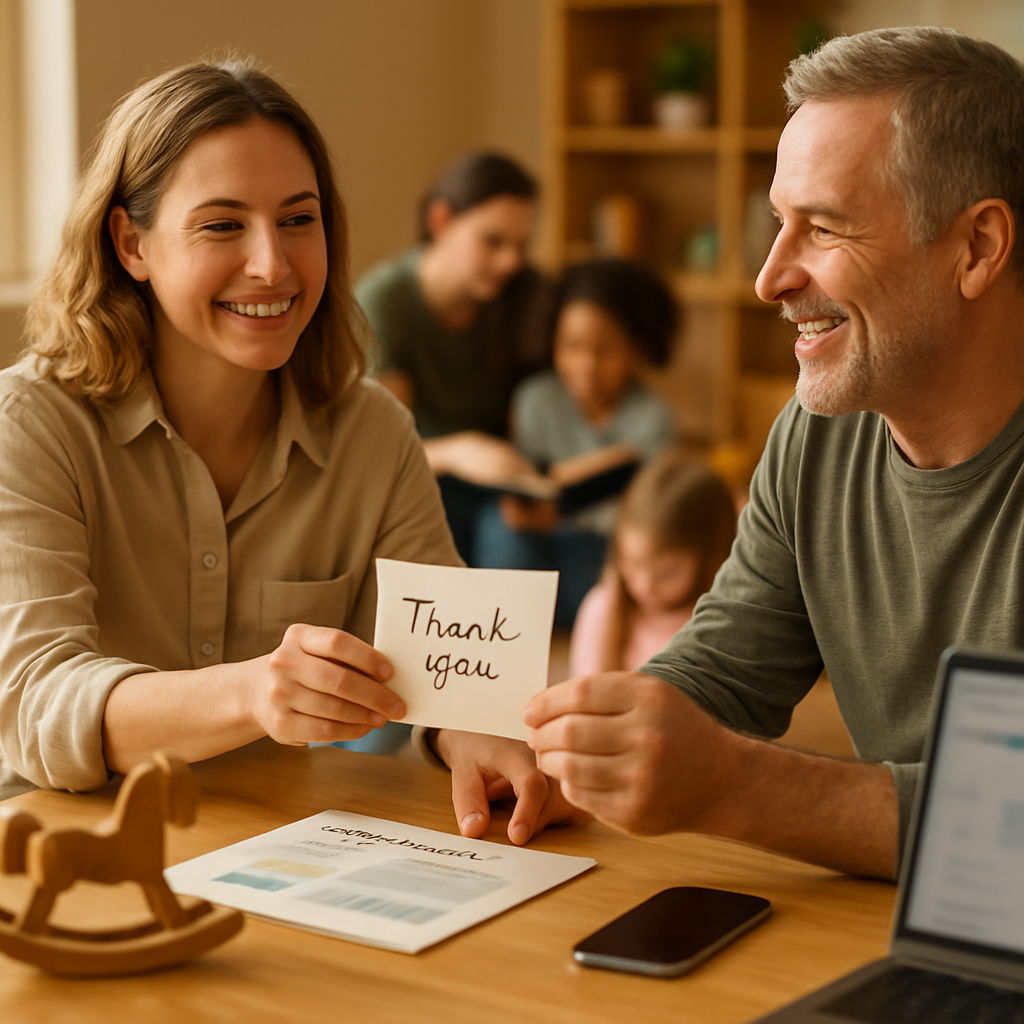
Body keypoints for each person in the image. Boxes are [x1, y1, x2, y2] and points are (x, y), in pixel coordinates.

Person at [437, 26, 1024, 879]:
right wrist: (589, 746)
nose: (770, 277)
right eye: (779, 223)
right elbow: (725, 666)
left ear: (977, 247)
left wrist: (734, 788)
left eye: (823, 228)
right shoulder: (816, 434)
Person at [0, 59, 568, 847]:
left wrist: (473, 733)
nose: (272, 263)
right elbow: (33, 698)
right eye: (223, 224)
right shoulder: (27, 425)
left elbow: (448, 674)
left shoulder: (374, 432)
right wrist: (249, 695)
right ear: (132, 243)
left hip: (266, 850)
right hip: (52, 850)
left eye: (299, 220)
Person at [356, 151, 549, 563]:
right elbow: (378, 446)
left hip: (506, 489)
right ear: (440, 220)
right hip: (419, 481)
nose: (511, 261)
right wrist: (459, 451)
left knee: (512, 541)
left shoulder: (526, 293)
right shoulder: (385, 303)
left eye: (521, 245)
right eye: (493, 241)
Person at [475, 258, 678, 626]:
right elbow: (525, 477)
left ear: (636, 347)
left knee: (631, 563)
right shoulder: (536, 399)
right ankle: (506, 626)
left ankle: (568, 620)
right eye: (572, 346)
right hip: (537, 544)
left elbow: (652, 514)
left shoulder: (652, 417)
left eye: (604, 350)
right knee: (498, 527)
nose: (586, 364)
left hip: (602, 551)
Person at [569, 452, 735, 676]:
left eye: (666, 573)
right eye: (631, 561)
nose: (645, 585)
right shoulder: (601, 608)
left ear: (711, 560)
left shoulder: (725, 626)